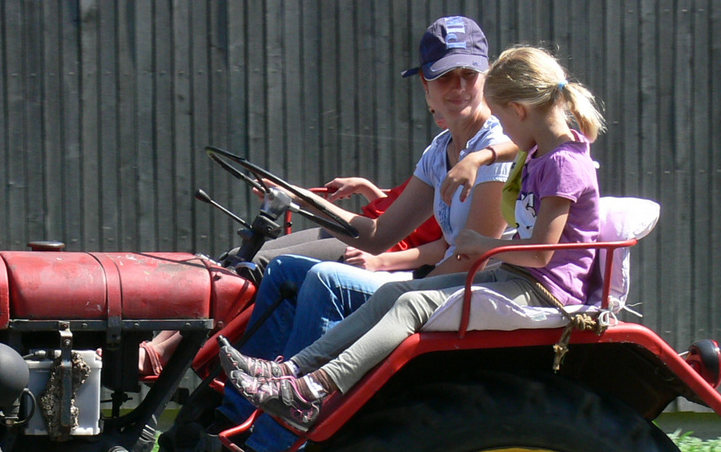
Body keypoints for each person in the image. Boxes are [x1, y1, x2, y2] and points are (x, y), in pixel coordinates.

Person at [223, 44, 604, 431]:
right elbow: (505, 148)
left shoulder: (562, 163)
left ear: (520, 111)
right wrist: (481, 158)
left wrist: (483, 245)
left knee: (411, 306)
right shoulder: (541, 149)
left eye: (503, 120)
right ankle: (289, 370)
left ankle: (312, 391)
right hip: (519, 278)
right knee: (394, 294)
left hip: (544, 291)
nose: (502, 130)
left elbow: (543, 255)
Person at [206, 16, 516, 452]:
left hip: (473, 289)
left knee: (326, 280)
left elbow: (470, 257)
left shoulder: (494, 149)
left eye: (468, 75)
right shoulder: (441, 151)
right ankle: (233, 416)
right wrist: (300, 198)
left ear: (486, 76)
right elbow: (377, 234)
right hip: (445, 280)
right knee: (285, 266)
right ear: (426, 88)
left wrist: (401, 286)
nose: (458, 88)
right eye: (444, 77)